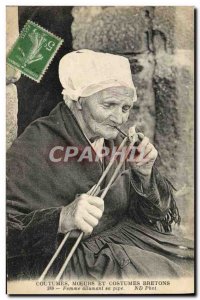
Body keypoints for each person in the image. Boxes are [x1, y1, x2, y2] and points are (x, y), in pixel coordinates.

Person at [7, 49, 193, 280]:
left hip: (125, 242)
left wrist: (143, 175)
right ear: (78, 101)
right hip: (71, 263)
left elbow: (149, 217)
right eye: (109, 105)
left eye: (125, 108)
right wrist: (60, 219)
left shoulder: (115, 141)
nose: (119, 118)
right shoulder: (35, 145)